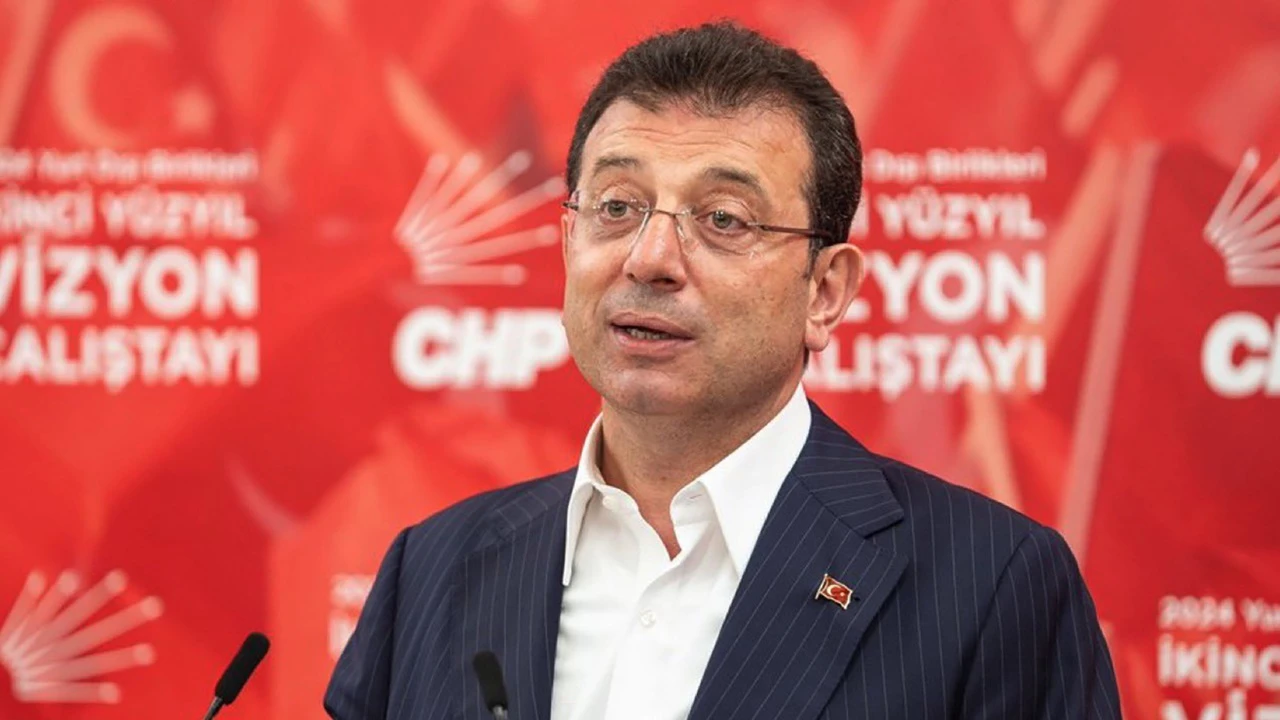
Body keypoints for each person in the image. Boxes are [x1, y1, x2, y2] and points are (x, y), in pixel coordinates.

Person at [325, 21, 1122, 720]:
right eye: (616, 207)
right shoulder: (432, 570)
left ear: (825, 292)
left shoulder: (989, 586)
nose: (650, 258)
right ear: (568, 246)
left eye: (723, 219)